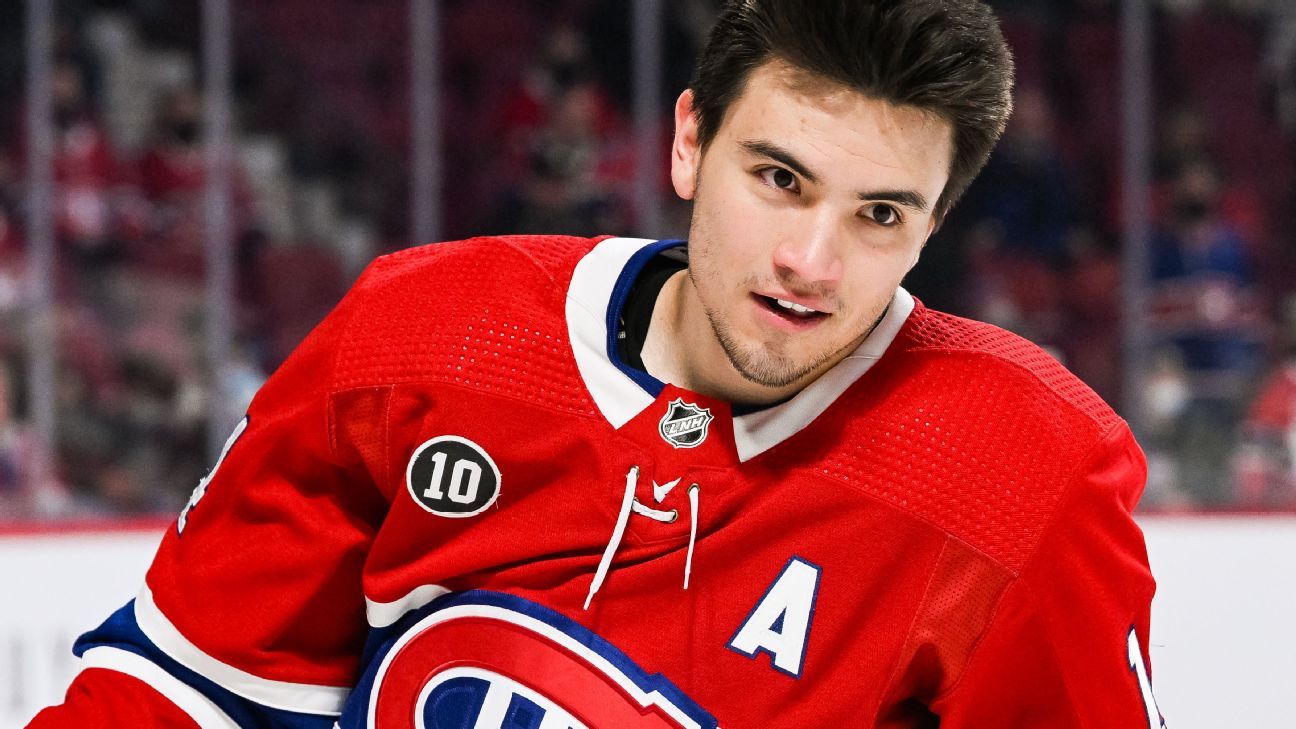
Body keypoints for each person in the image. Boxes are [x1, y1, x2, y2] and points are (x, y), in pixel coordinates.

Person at [32, 2, 1164, 727]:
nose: (810, 261)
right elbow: (179, 695)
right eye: (779, 179)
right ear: (687, 143)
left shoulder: (1025, 472)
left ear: (932, 230)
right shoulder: (422, 336)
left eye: (879, 214)